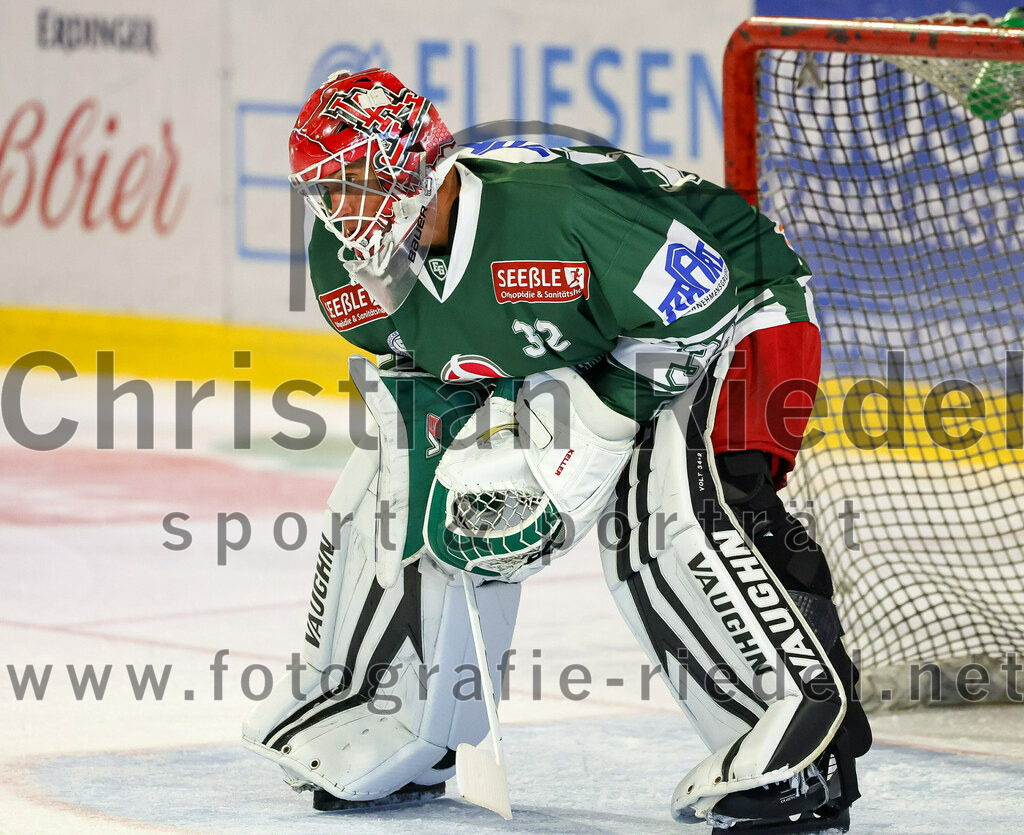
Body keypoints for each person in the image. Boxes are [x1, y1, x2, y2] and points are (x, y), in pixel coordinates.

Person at [243, 68, 871, 833]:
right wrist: (448, 499)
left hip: (740, 304)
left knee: (667, 504)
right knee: (389, 485)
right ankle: (402, 721)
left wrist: (599, 433)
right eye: (324, 191)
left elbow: (697, 295)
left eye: (355, 183)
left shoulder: (553, 213)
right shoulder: (342, 263)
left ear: (414, 163)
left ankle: (803, 732)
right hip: (599, 336)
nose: (340, 213)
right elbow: (424, 381)